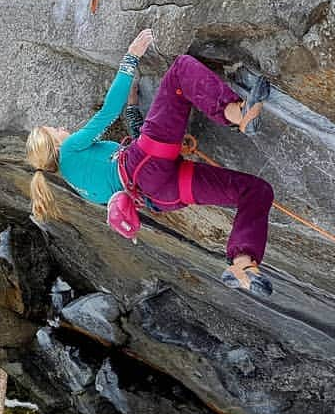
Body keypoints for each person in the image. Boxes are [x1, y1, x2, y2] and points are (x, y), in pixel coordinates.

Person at [25, 29, 275, 296]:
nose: (61, 127)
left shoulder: (77, 183)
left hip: (162, 194)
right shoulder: (70, 149)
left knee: (256, 191)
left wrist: (136, 112)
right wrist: (131, 58)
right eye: (54, 129)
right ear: (54, 145)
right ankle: (238, 112)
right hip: (145, 164)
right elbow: (108, 112)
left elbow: (124, 178)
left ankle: (243, 264)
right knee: (180, 71)